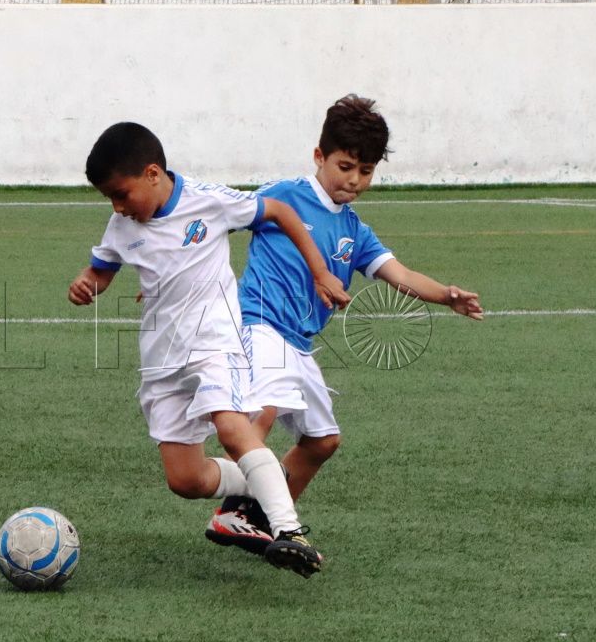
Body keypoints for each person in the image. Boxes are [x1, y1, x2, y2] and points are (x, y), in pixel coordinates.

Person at [66, 121, 351, 578]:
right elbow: (103, 269)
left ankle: (288, 531)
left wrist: (320, 271)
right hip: (162, 359)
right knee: (186, 480)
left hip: (215, 342)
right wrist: (88, 284)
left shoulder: (208, 201)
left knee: (232, 429)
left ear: (153, 173)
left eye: (122, 194)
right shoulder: (122, 222)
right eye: (109, 199)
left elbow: (278, 211)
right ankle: (267, 477)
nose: (118, 207)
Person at [207, 95, 486, 557]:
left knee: (323, 441)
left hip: (299, 342)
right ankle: (235, 513)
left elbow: (399, 274)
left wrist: (445, 295)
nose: (355, 180)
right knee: (265, 408)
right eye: (346, 166)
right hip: (257, 325)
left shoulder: (354, 230)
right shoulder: (284, 196)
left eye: (367, 171)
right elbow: (221, 223)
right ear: (319, 156)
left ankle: (255, 515)